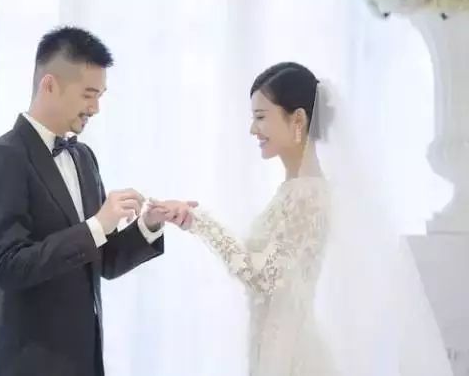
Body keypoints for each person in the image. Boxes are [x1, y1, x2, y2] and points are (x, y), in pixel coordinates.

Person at [153, 61, 453, 376]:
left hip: (290, 357)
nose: (253, 129)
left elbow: (262, 278)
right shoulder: (293, 189)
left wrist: (197, 221)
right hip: (274, 349)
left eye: (260, 117)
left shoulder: (307, 194)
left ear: (297, 119)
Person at [0, 26, 175, 376]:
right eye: (88, 94)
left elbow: (103, 260)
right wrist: (97, 225)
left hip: (85, 360)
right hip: (31, 364)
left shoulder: (84, 157)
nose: (96, 108)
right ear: (49, 85)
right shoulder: (4, 156)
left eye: (100, 96)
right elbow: (6, 267)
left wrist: (148, 225)